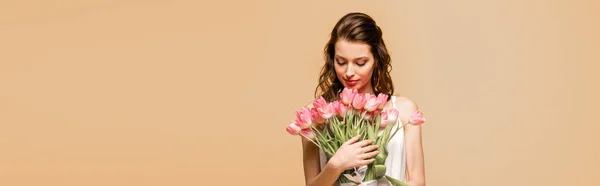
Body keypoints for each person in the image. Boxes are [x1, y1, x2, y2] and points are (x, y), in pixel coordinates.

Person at [301, 12, 426, 186]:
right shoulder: (317, 116)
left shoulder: (405, 110)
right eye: (341, 62)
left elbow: (417, 182)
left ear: (376, 60)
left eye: (360, 63)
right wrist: (336, 165)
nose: (349, 72)